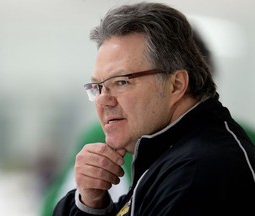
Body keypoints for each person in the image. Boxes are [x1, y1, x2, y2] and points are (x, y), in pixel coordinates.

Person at [53, 2, 255, 215]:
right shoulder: (165, 157)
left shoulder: (200, 171)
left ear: (175, 85)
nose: (103, 100)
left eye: (121, 82)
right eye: (98, 87)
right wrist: (90, 202)